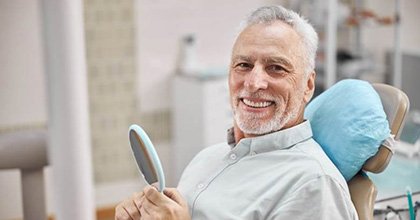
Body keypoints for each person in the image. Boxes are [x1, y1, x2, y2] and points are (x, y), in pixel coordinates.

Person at [115, 5, 358, 220]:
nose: (253, 83)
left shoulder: (313, 184)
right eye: (244, 65)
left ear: (307, 85)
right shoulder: (206, 159)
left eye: (276, 68)